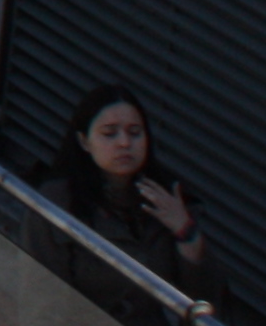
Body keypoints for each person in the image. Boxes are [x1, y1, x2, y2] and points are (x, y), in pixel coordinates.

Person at [30, 86, 212, 313]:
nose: (124, 143)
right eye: (110, 133)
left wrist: (186, 232)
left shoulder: (167, 198)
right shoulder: (57, 201)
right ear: (84, 141)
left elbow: (206, 302)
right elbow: (40, 299)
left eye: (135, 132)